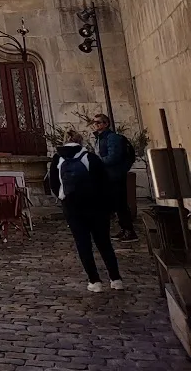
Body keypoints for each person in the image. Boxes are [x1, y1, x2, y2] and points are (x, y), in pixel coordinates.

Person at [46, 128, 122, 292]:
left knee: (83, 244)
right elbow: (105, 184)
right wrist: (110, 207)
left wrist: (63, 197)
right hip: (96, 206)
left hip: (72, 207)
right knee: (104, 243)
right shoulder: (91, 158)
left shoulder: (58, 159)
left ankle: (94, 281)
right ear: (81, 142)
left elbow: (53, 184)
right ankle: (116, 279)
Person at [91, 113, 139, 241]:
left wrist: (97, 161)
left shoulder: (112, 138)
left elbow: (113, 157)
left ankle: (129, 230)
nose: (95, 125)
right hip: (107, 175)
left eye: (98, 122)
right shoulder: (99, 138)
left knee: (120, 203)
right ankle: (124, 229)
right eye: (94, 122)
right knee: (116, 204)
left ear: (106, 124)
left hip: (115, 175)